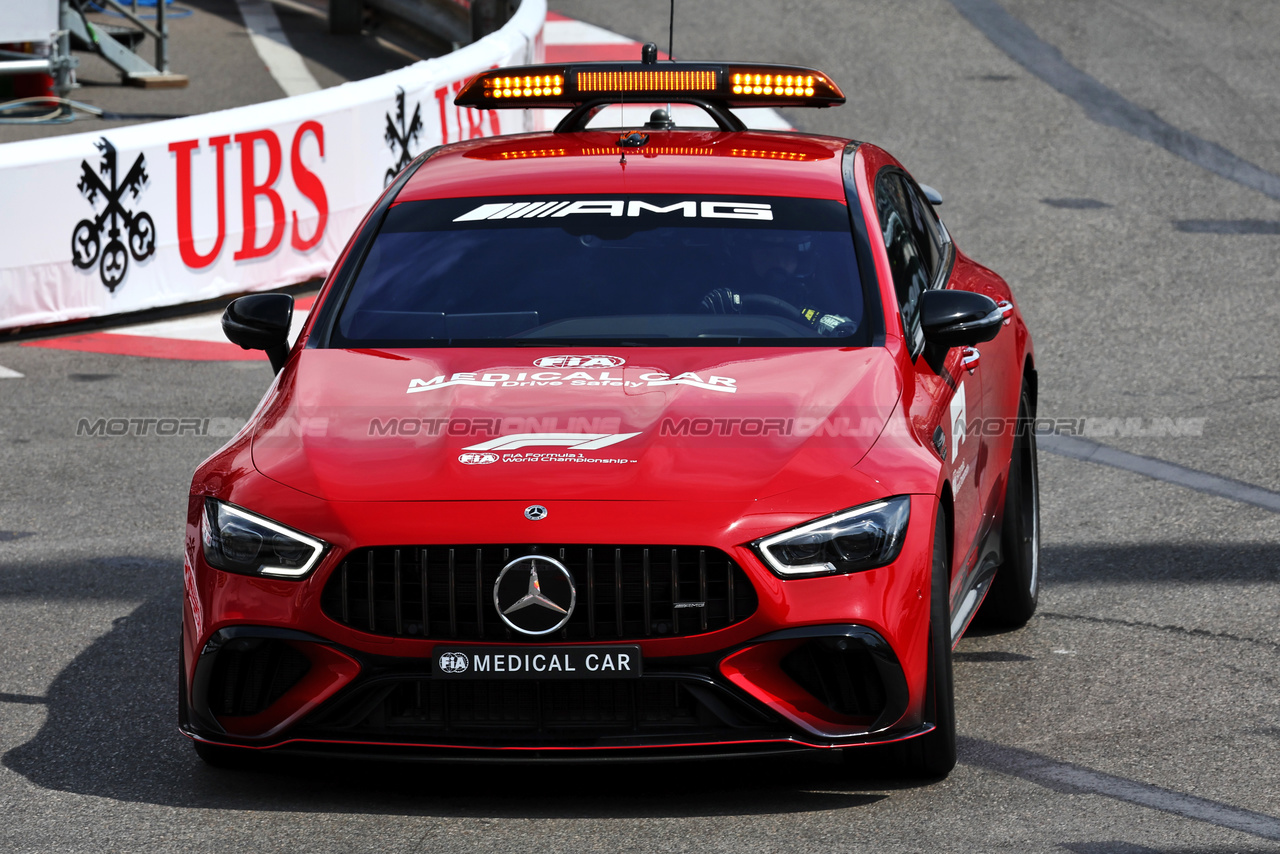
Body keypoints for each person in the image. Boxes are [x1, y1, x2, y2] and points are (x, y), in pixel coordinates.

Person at [700, 230, 857, 336]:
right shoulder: (722, 304)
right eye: (766, 254)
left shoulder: (823, 307)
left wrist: (833, 327)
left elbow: (850, 338)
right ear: (748, 258)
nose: (777, 262)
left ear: (800, 260)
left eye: (786, 255)